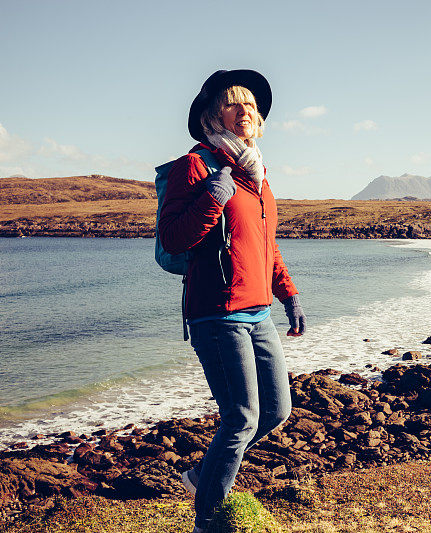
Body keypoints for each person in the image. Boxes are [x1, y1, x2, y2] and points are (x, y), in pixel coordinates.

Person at [158, 69, 305, 533]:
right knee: (241, 417)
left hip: (258, 311)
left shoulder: (256, 174)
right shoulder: (196, 166)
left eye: (252, 106)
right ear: (210, 116)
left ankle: (202, 476)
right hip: (217, 312)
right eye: (234, 104)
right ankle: (207, 521)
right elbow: (174, 237)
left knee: (275, 411)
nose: (246, 111)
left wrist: (289, 295)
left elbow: (265, 244)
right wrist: (213, 197)